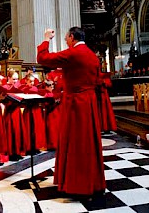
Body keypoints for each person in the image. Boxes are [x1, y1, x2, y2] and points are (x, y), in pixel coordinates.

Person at [37, 27, 106, 199]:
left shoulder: (73, 53)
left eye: (67, 38)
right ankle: (95, 182)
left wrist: (46, 39)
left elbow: (43, 58)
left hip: (76, 103)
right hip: (89, 101)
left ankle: (78, 185)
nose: (66, 41)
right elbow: (97, 80)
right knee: (89, 142)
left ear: (73, 37)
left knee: (76, 143)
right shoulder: (92, 55)